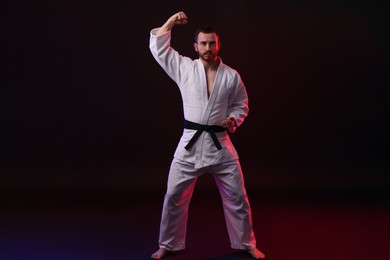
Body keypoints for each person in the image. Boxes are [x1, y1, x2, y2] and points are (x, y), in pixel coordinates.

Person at [149, 11, 266, 259]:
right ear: (195, 46)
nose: (208, 47)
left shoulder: (231, 75)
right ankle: (167, 244)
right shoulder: (184, 69)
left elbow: (241, 104)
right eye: (203, 43)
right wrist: (170, 22)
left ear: (218, 44)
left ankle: (246, 244)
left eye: (212, 42)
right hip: (190, 144)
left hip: (220, 144)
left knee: (237, 197)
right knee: (173, 196)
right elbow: (160, 49)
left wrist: (233, 119)